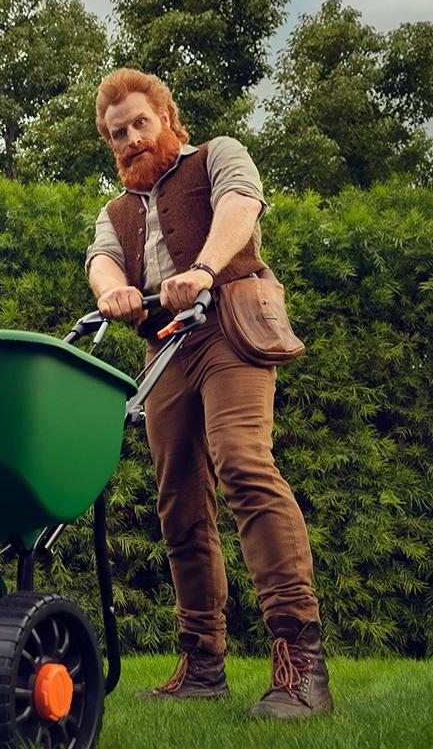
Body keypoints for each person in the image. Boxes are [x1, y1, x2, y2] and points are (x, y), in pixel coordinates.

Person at [86, 68, 333, 719]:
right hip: (164, 349)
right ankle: (201, 664)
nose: (131, 138)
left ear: (166, 117)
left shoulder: (217, 155)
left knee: (242, 463)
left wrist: (200, 269)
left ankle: (301, 664)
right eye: (117, 134)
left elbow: (239, 207)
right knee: (177, 505)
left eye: (140, 123)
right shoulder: (116, 211)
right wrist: (110, 289)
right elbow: (101, 258)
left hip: (230, 322)